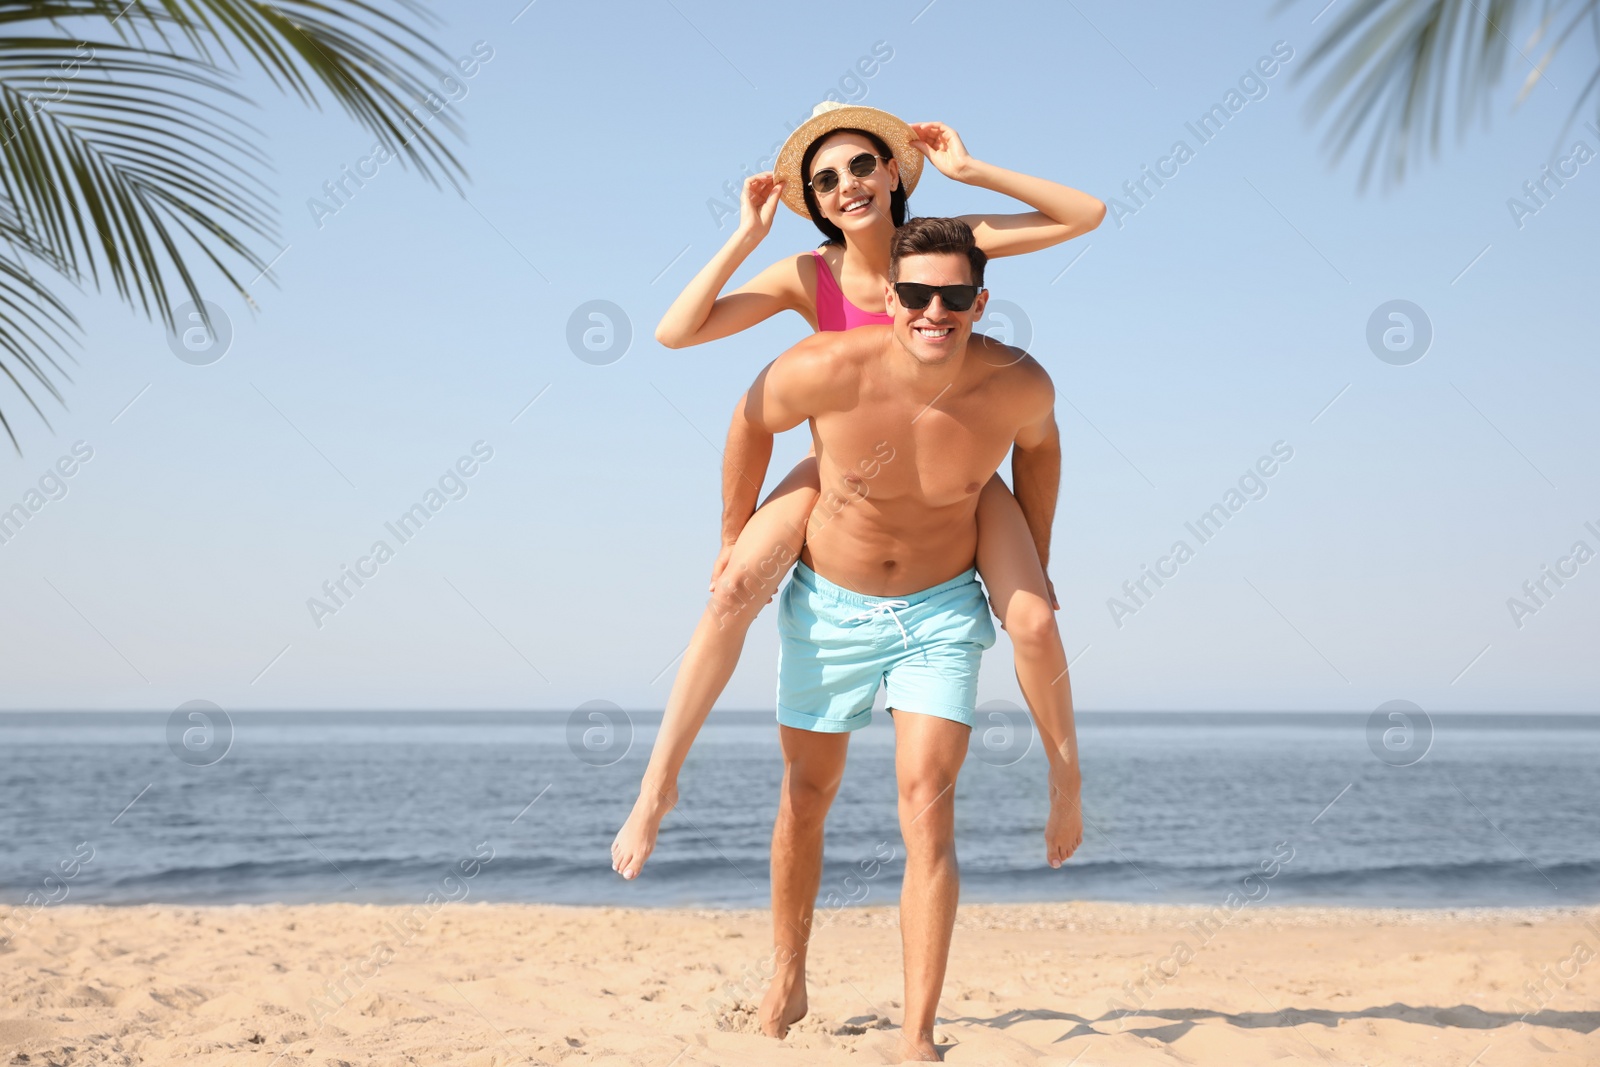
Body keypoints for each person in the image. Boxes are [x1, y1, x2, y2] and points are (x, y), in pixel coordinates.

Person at [612, 103, 1102, 889]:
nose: (848, 186)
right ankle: (657, 785)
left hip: (959, 477)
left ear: (894, 169)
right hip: (845, 474)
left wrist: (970, 172)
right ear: (814, 198)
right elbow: (676, 333)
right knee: (734, 587)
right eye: (826, 179)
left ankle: (1067, 777)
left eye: (863, 166)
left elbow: (1087, 214)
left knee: (1036, 619)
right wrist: (746, 237)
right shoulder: (810, 274)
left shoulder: (949, 246)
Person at [735, 218, 1082, 1060]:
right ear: (888, 297)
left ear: (980, 300)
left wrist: (1036, 552)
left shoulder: (1018, 383)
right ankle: (789, 973)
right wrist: (731, 529)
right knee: (806, 798)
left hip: (939, 611)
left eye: (954, 295)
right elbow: (750, 422)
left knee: (928, 803)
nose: (936, 311)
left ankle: (918, 1031)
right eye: (918, 293)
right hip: (832, 607)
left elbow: (1040, 453)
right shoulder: (824, 368)